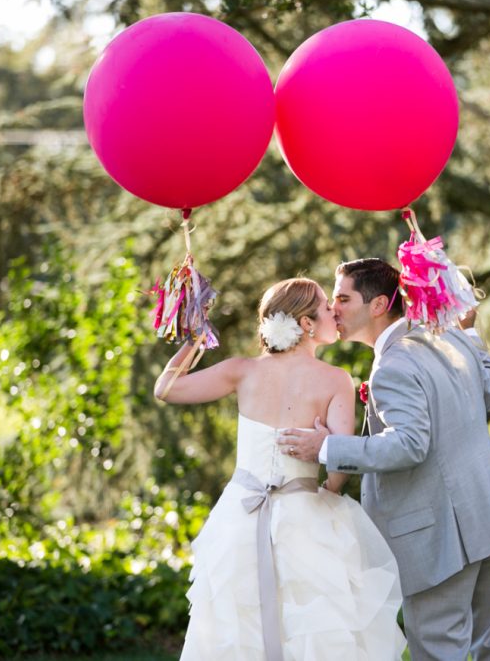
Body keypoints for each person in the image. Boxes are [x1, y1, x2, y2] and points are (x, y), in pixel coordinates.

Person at [277, 259, 490, 661]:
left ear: (378, 305)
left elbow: (409, 445)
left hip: (444, 535)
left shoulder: (393, 365)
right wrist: (473, 333)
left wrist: (326, 448)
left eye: (343, 298)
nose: (333, 309)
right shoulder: (448, 334)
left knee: (437, 649)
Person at [156, 277, 406, 661]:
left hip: (240, 515)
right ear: (306, 324)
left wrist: (196, 337)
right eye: (326, 307)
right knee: (313, 627)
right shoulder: (336, 380)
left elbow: (167, 389)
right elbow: (339, 469)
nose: (334, 313)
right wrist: (329, 478)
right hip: (306, 518)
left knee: (238, 625)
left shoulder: (241, 370)